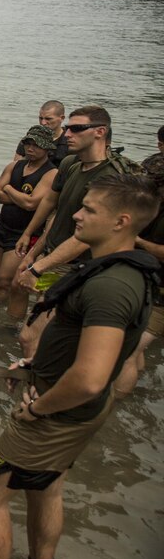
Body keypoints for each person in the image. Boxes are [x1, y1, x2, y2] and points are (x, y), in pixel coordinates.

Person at [0, 174, 160, 559]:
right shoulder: (125, 270)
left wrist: (38, 408)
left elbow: (90, 378)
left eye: (89, 208)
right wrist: (41, 362)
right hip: (76, 411)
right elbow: (92, 352)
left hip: (57, 412)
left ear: (121, 221)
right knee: (48, 483)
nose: (75, 213)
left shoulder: (111, 285)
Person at [14, 106, 127, 358]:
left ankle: (37, 391)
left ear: (100, 132)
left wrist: (38, 268)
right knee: (35, 336)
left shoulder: (112, 178)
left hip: (82, 268)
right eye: (67, 128)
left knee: (33, 337)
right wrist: (33, 248)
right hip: (55, 258)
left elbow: (87, 238)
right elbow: (55, 210)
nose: (66, 134)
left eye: (76, 128)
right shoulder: (70, 164)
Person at [0, 126, 57, 321]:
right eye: (28, 144)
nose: (30, 149)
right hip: (1, 229)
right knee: (0, 278)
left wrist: (8, 188)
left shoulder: (51, 173)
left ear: (47, 148)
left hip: (23, 234)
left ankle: (2, 321)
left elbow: (31, 204)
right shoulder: (14, 166)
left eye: (36, 145)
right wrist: (18, 195)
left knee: (5, 280)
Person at [115, 134, 164, 397]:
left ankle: (116, 403)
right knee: (133, 348)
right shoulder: (149, 205)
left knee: (127, 349)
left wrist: (137, 240)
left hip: (159, 294)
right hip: (143, 283)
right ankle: (138, 391)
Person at [15, 100, 68, 165]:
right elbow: (16, 165)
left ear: (62, 118)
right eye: (40, 118)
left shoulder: (69, 141)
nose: (43, 123)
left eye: (48, 119)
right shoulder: (29, 139)